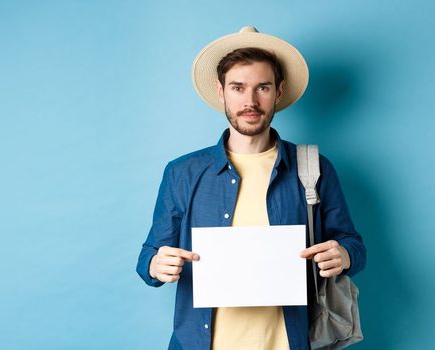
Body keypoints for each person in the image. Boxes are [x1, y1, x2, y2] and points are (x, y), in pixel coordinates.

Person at [135, 26, 366, 350]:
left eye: (263, 87)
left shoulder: (313, 167)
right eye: (238, 87)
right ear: (221, 91)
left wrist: (342, 255)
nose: (250, 100)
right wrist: (156, 264)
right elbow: (147, 259)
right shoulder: (182, 173)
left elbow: (354, 246)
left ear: (279, 91)